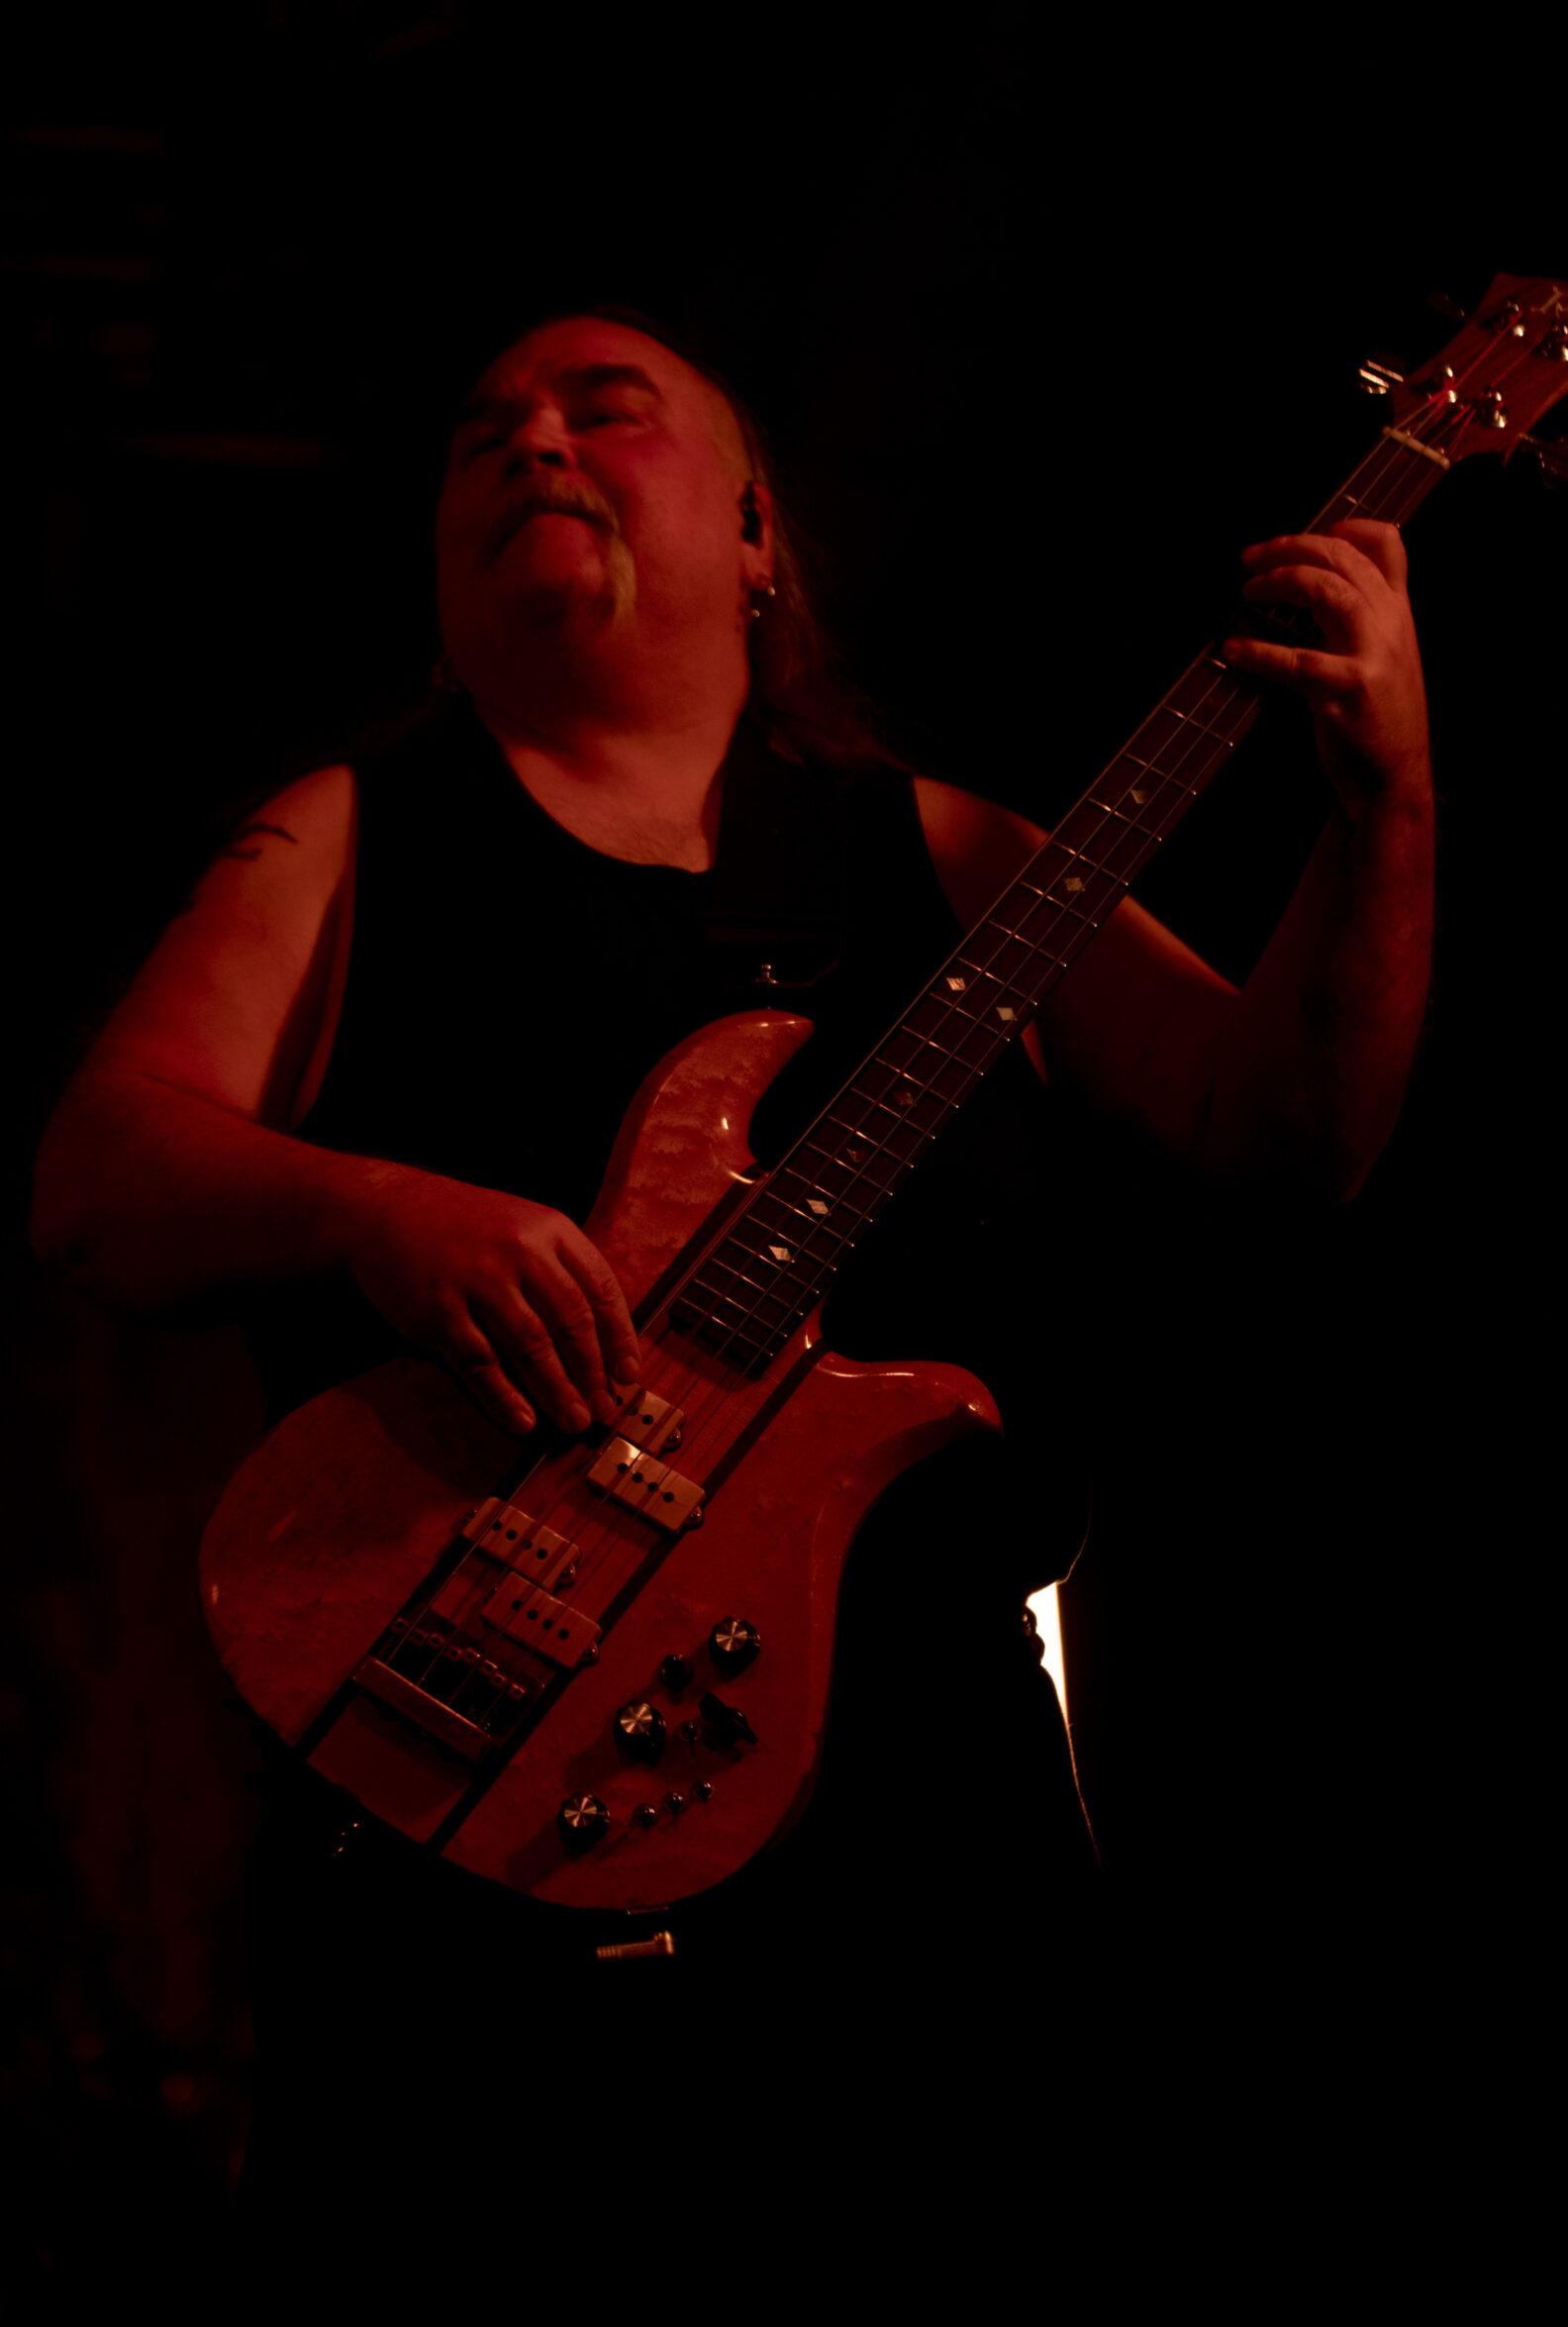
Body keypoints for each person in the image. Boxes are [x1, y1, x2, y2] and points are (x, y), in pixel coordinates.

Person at [31, 307, 1433, 2270]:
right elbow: (99, 1174)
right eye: (483, 431)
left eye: (605, 411)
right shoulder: (346, 835)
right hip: (468, 1810)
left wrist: (1382, 798)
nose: (533, 442)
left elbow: (1278, 1131)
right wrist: (376, 1213)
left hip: (931, 1868)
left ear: (762, 532)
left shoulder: (954, 857)